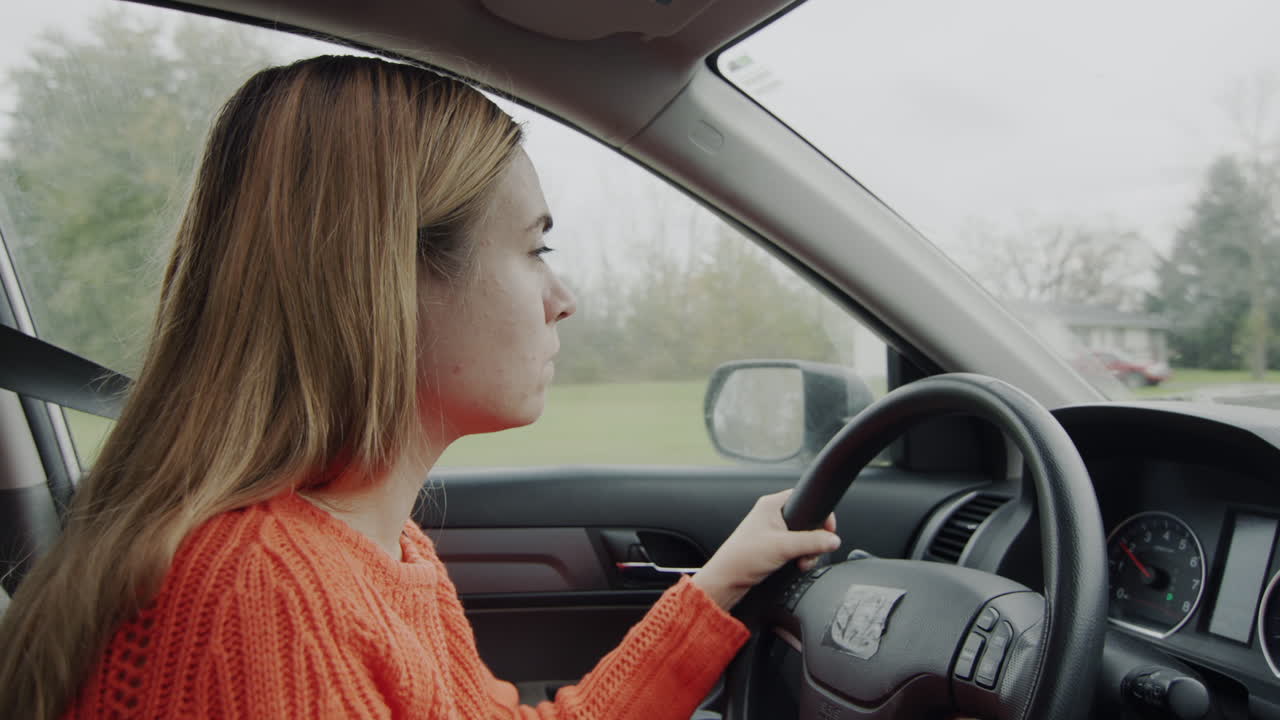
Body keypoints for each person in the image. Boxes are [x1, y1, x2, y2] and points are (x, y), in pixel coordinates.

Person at [0, 56, 840, 719]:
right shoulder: (262, 598)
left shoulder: (368, 552)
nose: (564, 300)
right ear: (390, 282)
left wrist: (719, 584)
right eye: (535, 249)